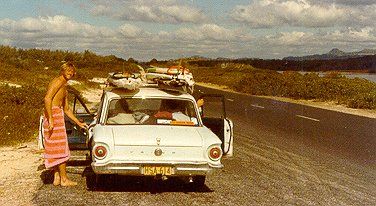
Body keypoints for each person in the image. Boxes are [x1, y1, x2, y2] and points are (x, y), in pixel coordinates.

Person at [43, 62, 87, 187]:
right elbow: (47, 99)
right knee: (60, 147)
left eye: (72, 71)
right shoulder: (57, 81)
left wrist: (78, 122)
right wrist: (51, 119)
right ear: (62, 70)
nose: (70, 73)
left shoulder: (64, 86)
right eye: (68, 70)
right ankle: (64, 179)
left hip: (57, 114)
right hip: (53, 115)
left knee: (56, 147)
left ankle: (57, 176)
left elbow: (67, 109)